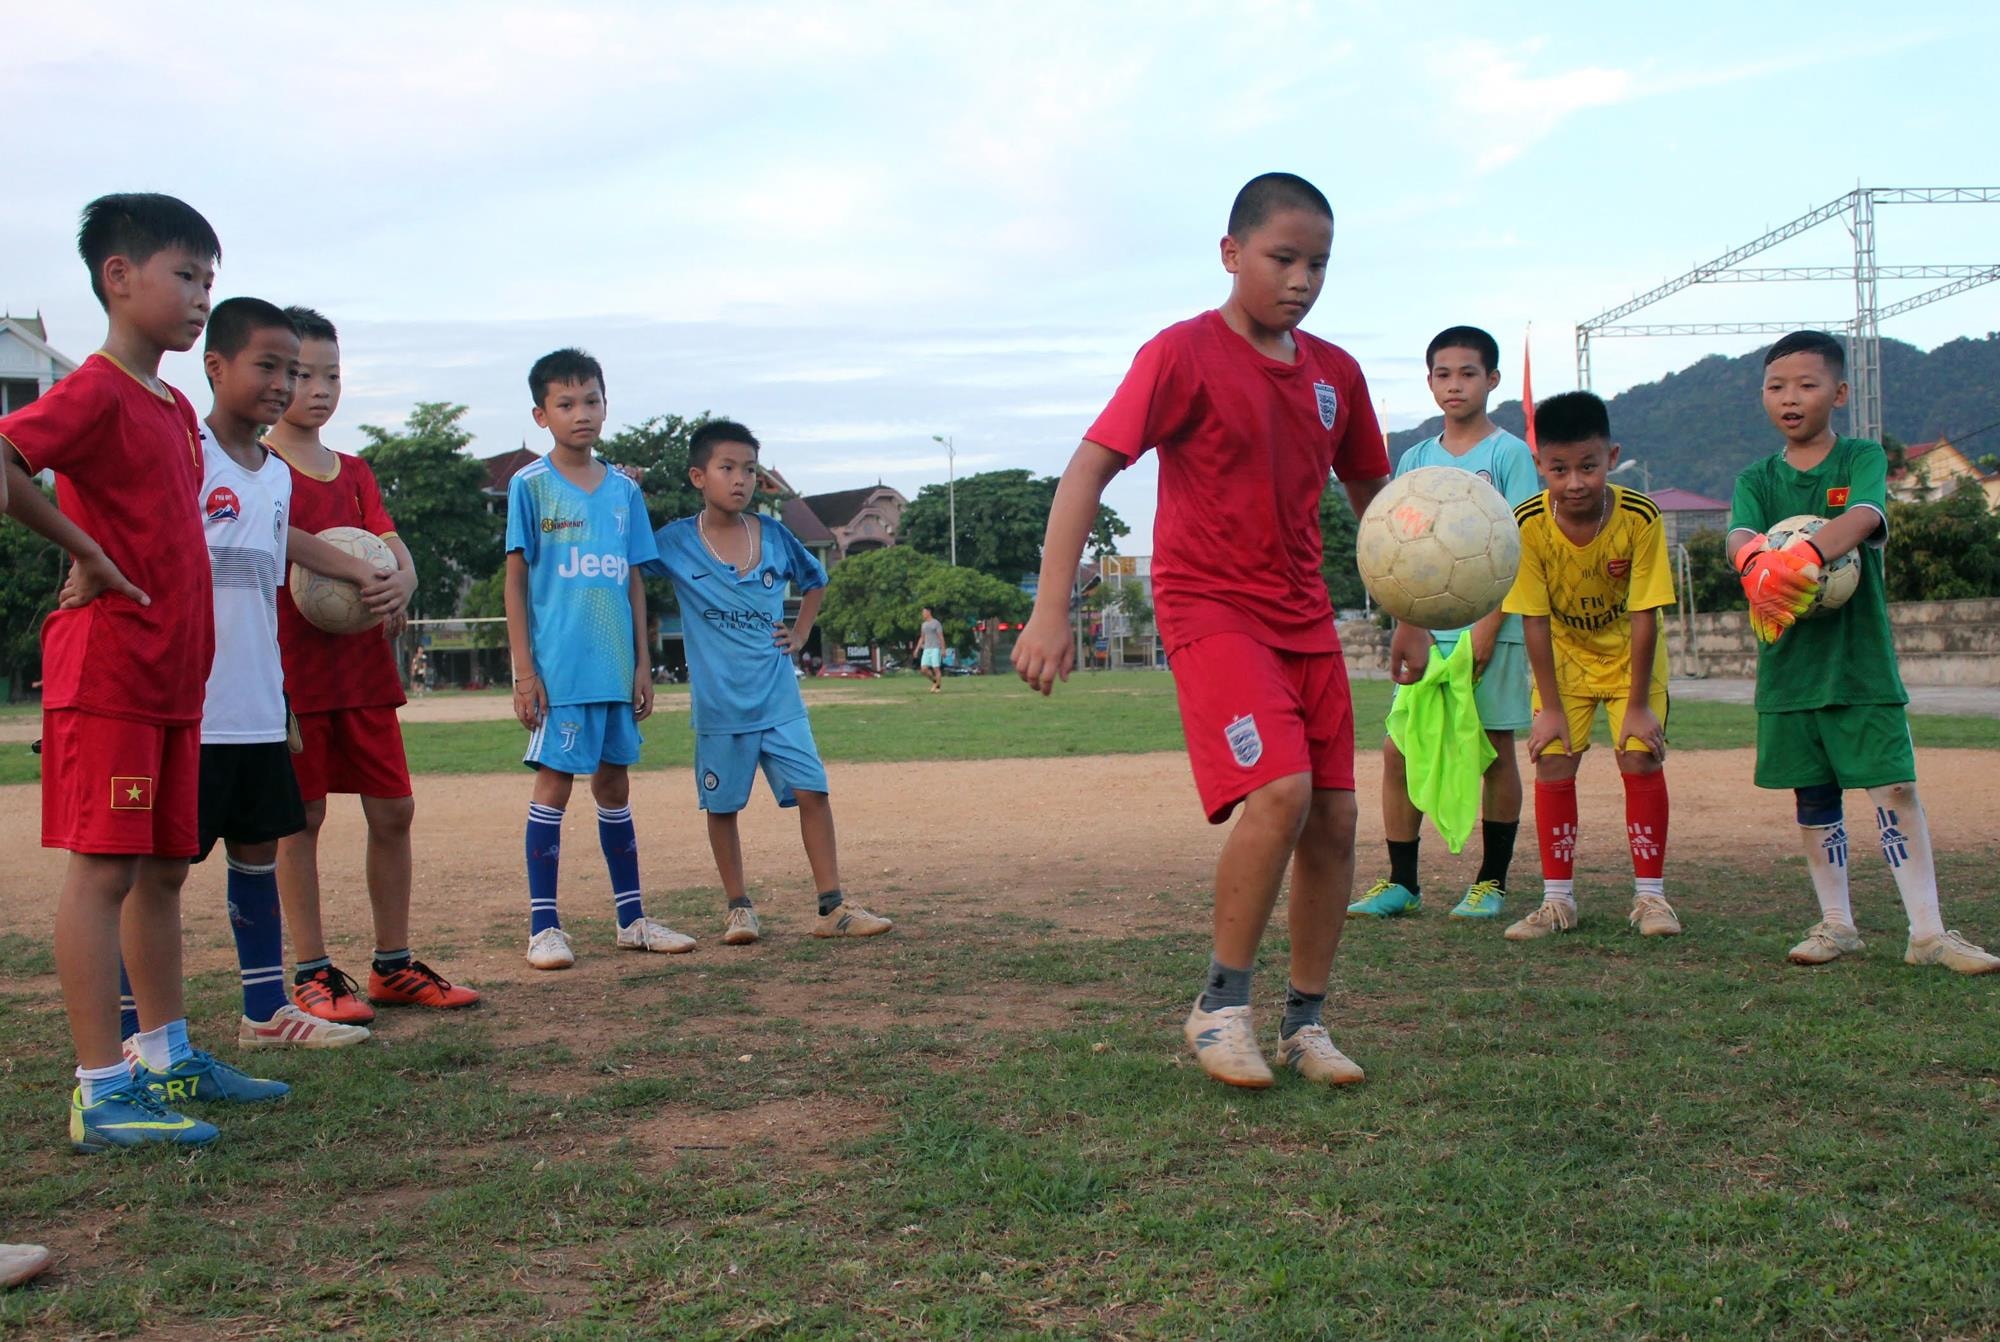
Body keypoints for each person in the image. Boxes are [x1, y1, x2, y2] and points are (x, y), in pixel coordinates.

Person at [1013, 172, 1390, 1089]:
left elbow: (1376, 500)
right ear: (1231, 255)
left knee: (1337, 818)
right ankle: (1220, 1007)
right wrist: (1050, 607)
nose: (1302, 279)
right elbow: (1085, 472)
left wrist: (1408, 609)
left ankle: (1305, 1023)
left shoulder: (1337, 374)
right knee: (1282, 792)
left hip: (1305, 615)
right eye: (1283, 258)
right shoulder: (1179, 355)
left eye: (1319, 264)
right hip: (1210, 607)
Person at [0, 193, 245, 1149]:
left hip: (170, 676)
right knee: (103, 872)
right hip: (109, 669)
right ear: (120, 276)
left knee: (159, 875)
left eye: (207, 282)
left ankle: (165, 1058)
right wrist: (83, 549)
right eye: (184, 277)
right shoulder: (96, 386)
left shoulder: (175, 402)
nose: (198, 299)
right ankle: (101, 1090)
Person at [117, 298, 376, 1054]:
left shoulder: (274, 472)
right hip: (189, 706)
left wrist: (359, 568)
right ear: (216, 366)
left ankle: (266, 1013)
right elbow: (129, 528)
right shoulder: (185, 450)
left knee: (257, 855)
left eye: (292, 370)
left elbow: (282, 537)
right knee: (160, 874)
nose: (283, 383)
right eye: (268, 366)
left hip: (260, 704)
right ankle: (137, 1032)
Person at [1729, 330, 1997, 973]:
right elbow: (1738, 531)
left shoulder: (1859, 459)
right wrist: (1752, 562)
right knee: (1814, 796)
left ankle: (1928, 933)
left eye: (1807, 384)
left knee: (1895, 787)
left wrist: (1802, 555)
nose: (1790, 398)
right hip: (1791, 670)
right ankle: (1836, 925)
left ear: (1840, 393)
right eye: (1776, 387)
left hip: (1861, 664)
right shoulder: (1756, 478)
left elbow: (1869, 515)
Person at [266, 307, 479, 1020]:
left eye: (331, 374)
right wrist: (355, 573)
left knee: (394, 809)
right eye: (301, 373)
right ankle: (312, 972)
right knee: (302, 818)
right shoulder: (259, 466)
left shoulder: (354, 472)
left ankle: (392, 964)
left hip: (362, 670)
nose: (319, 388)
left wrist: (403, 580)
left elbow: (393, 546)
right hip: (292, 673)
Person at [643, 420, 894, 947]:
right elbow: (627, 564)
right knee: (722, 807)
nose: (740, 480)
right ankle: (738, 908)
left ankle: (832, 905)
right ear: (698, 476)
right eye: (727, 468)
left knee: (813, 791)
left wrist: (800, 632)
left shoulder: (775, 536)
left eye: (750, 470)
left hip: (779, 698)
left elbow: (815, 580)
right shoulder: (673, 542)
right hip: (718, 707)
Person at [505, 348, 689, 969]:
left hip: (614, 667)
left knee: (615, 783)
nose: (581, 413)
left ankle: (631, 918)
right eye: (565, 403)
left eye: (591, 401)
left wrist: (644, 663)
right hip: (559, 670)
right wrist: (523, 670)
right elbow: (515, 579)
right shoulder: (529, 486)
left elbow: (634, 580)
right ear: (541, 414)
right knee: (553, 785)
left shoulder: (625, 492)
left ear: (605, 405)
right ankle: (543, 928)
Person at [1349, 326, 1537, 923]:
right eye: (1443, 374)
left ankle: (1492, 882)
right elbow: (1398, 552)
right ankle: (1403, 881)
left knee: (1493, 750)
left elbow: (1522, 543)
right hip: (1428, 630)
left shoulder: (1508, 455)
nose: (1455, 385)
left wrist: (1489, 625)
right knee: (1398, 748)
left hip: (1491, 629)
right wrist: (1408, 622)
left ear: (1493, 381)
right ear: (1429, 381)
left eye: (1468, 374)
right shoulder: (1416, 460)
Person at [1499, 391, 1680, 943]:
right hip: (1565, 663)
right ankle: (1558, 903)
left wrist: (1642, 704)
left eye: (1588, 467)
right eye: (1559, 469)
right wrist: (1549, 709)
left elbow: (1645, 611)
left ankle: (1651, 898)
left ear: (1612, 456)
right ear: (1540, 466)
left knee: (1640, 758)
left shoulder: (1640, 516)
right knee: (1552, 762)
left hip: (1633, 661)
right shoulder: (1526, 524)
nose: (1575, 482)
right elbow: (1532, 619)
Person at [917, 607, 945, 692]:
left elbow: (941, 636)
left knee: (936, 668)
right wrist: (917, 649)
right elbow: (922, 637)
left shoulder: (936, 623)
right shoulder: (924, 625)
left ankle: (938, 687)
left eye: (924, 612)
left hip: (935, 648)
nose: (923, 614)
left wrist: (943, 649)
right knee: (923, 669)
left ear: (929, 612)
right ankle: (935, 681)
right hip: (927, 648)